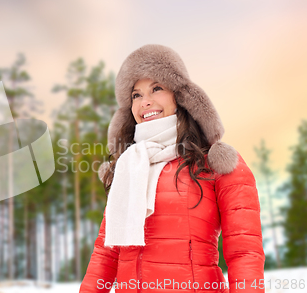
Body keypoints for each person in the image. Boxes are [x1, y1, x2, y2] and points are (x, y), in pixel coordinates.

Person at [79, 44, 265, 293]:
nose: (146, 102)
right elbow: (105, 255)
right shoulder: (128, 167)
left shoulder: (215, 162)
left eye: (157, 88)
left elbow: (245, 252)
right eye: (136, 95)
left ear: (180, 96)